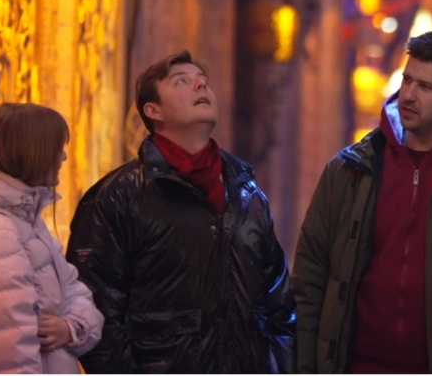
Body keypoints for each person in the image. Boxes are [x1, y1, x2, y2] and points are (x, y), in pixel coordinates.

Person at [293, 30, 432, 374]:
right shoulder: (351, 170)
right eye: (407, 80)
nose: (409, 95)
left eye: (426, 87)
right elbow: (310, 279)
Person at [66, 50, 295, 373]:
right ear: (153, 110)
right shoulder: (119, 197)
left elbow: (278, 303)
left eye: (203, 81)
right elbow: (96, 307)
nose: (201, 86)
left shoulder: (247, 194)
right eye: (182, 82)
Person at [0, 102, 104, 374]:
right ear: (32, 154)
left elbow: (75, 292)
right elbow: (11, 349)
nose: (63, 157)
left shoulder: (25, 222)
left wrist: (69, 328)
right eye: (56, 148)